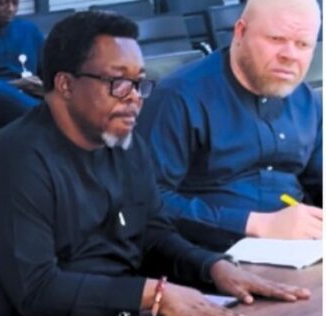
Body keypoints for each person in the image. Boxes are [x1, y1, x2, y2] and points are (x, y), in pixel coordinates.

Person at [0, 11, 310, 316]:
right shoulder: (15, 162)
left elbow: (152, 233)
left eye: (139, 83)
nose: (134, 97)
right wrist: (153, 295)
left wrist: (213, 268)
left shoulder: (124, 143)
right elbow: (37, 288)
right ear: (65, 84)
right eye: (118, 83)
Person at [137, 0, 322, 249]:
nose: (289, 55)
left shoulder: (307, 100)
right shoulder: (179, 97)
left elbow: (318, 180)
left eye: (303, 44)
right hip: (208, 254)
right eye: (276, 39)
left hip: (299, 248)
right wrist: (253, 224)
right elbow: (146, 199)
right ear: (240, 32)